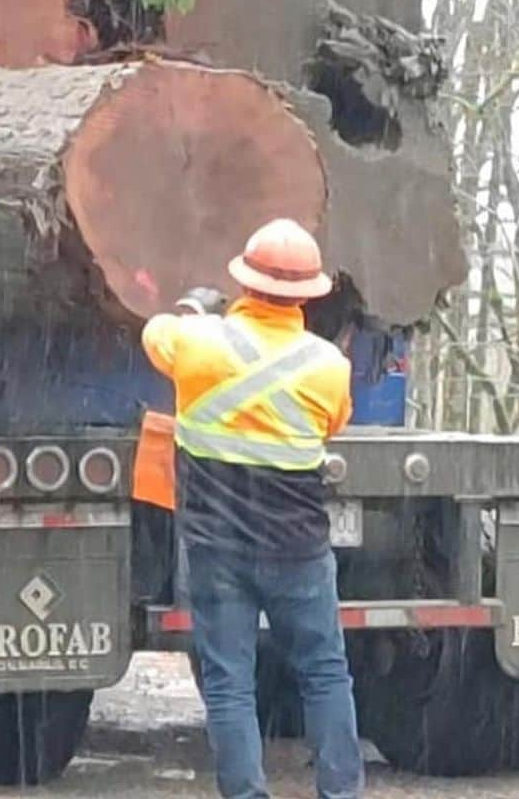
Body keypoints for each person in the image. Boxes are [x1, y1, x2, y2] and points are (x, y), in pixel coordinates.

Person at [141, 218, 363, 799]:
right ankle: (340, 793)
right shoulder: (329, 368)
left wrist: (195, 311)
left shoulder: (196, 345)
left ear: (243, 282)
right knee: (324, 673)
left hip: (218, 550)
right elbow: (335, 422)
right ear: (309, 294)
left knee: (229, 682)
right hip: (298, 550)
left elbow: (154, 334)